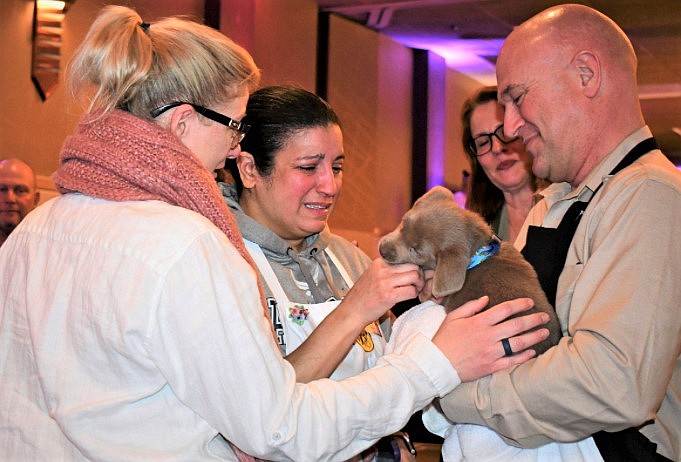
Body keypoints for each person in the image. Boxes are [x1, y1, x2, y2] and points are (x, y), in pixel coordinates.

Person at [0, 6, 551, 461]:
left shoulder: (33, 233)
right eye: (235, 125)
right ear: (181, 122)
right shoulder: (182, 245)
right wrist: (435, 362)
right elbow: (280, 430)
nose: (235, 146)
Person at [437, 4, 681, 461]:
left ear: (587, 74)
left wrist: (455, 397)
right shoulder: (554, 203)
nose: (509, 127)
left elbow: (613, 382)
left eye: (518, 97)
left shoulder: (650, 195)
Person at [221, 85, 425, 461]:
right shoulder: (223, 263)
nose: (329, 186)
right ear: (249, 169)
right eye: (308, 167)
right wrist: (355, 310)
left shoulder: (351, 261)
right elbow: (259, 414)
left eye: (338, 167)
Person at [461, 86, 547, 242]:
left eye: (504, 132)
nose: (497, 148)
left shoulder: (565, 209)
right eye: (483, 142)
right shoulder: (476, 236)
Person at [0, 158, 40, 246]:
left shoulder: (46, 248)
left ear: (35, 200)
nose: (10, 199)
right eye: (2, 189)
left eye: (20, 191)